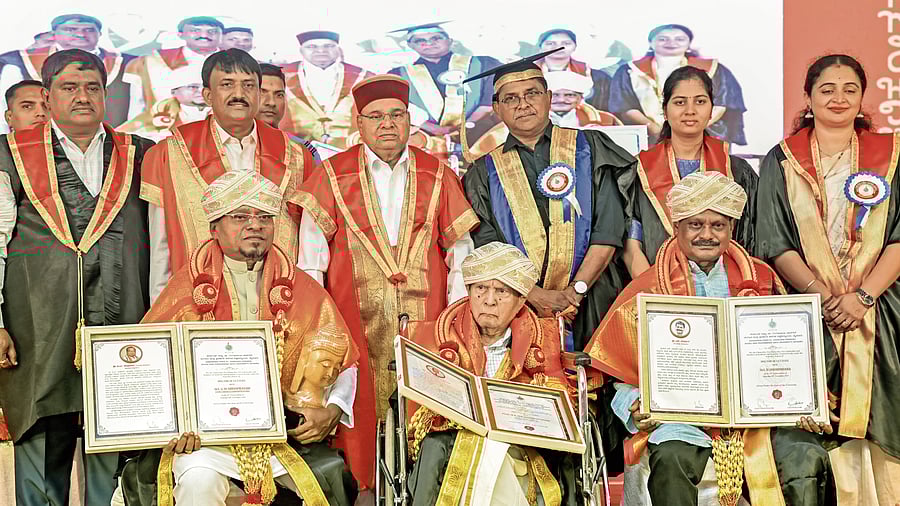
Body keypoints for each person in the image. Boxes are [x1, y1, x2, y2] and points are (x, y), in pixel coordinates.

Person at [585, 171, 834, 506]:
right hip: (681, 420)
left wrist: (805, 401)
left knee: (805, 456)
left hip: (759, 418)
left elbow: (794, 357)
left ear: (731, 229)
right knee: (671, 458)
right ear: (677, 228)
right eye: (696, 225)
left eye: (718, 225)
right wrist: (636, 406)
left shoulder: (761, 279)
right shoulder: (647, 289)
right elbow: (618, 373)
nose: (707, 234)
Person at [120, 171, 360, 506]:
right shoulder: (184, 291)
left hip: (284, 439)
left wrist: (333, 409)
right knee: (199, 482)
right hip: (206, 443)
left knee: (322, 485)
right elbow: (147, 370)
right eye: (240, 216)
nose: (255, 225)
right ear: (214, 229)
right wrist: (170, 426)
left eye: (264, 217)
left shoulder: (303, 290)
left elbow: (343, 358)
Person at [291, 73, 478, 487]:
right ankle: (365, 490)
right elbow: (309, 264)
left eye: (396, 115)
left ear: (410, 120)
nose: (387, 124)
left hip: (429, 322)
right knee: (357, 424)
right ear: (359, 123)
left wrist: (453, 323)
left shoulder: (438, 174)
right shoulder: (332, 175)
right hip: (351, 321)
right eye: (375, 116)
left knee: (426, 423)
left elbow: (461, 256)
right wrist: (320, 332)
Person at [0, 48, 154, 506]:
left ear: (107, 95)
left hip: (125, 318)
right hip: (38, 323)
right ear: (46, 98)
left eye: (92, 88)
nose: (82, 97)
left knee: (118, 442)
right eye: (69, 88)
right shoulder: (11, 155)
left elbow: (165, 242)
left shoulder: (140, 154)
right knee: (43, 437)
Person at [756, 53, 900, 505]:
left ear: (861, 98)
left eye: (849, 89)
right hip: (807, 316)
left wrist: (861, 296)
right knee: (817, 433)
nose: (838, 98)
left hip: (883, 312)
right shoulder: (781, 159)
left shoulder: (892, 155)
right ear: (808, 97)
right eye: (827, 89)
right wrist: (821, 296)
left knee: (885, 423)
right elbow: (775, 241)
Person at [462, 50, 635, 351]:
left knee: (599, 384)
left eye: (532, 93)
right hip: (519, 305)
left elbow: (609, 226)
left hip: (594, 299)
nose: (523, 104)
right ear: (496, 108)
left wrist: (576, 291)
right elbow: (488, 247)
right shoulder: (483, 172)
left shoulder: (590, 147)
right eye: (511, 98)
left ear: (549, 97)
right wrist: (534, 295)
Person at [141, 49, 315, 304]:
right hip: (199, 303)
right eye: (227, 85)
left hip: (278, 303)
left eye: (248, 86)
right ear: (208, 95)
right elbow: (160, 248)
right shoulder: (169, 154)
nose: (239, 95)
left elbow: (308, 244)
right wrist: (162, 310)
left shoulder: (297, 157)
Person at [407, 242, 576, 505]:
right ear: (469, 291)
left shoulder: (543, 343)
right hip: (450, 447)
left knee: (497, 458)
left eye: (501, 291)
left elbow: (559, 413)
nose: (489, 300)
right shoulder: (436, 339)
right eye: (481, 288)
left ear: (521, 301)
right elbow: (414, 413)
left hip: (520, 452)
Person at [623, 65, 757, 278]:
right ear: (665, 110)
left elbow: (750, 241)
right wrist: (653, 291)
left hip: (726, 287)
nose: (690, 110)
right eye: (680, 102)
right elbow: (631, 246)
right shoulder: (637, 171)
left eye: (700, 101)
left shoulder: (738, 172)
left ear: (711, 110)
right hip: (657, 285)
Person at [609, 23, 746, 146]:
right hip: (650, 137)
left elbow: (722, 103)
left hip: (704, 135)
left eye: (679, 39)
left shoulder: (714, 69)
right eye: (663, 39)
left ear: (689, 44)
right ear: (651, 43)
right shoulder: (629, 71)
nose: (671, 42)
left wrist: (693, 129)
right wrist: (656, 130)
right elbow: (624, 105)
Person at [0, 14, 137, 131]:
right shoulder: (19, 62)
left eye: (89, 30)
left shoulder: (130, 63)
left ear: (100, 34)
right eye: (70, 29)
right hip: (38, 146)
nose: (80, 34)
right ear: (54, 34)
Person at [388, 22, 502, 163]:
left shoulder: (484, 64)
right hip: (428, 141)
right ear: (410, 45)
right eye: (420, 40)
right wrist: (435, 129)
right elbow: (398, 108)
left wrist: (466, 127)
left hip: (482, 136)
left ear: (450, 40)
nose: (429, 43)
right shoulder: (398, 75)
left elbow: (494, 98)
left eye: (436, 38)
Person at [279, 30, 372, 149]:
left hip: (349, 152)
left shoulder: (363, 77)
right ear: (301, 50)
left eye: (328, 46)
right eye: (312, 46)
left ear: (338, 49)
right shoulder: (281, 75)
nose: (321, 51)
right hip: (295, 151)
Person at [123, 16, 223, 121]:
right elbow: (137, 104)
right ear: (180, 34)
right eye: (195, 30)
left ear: (221, 36)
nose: (204, 35)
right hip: (162, 129)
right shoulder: (150, 61)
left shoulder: (237, 62)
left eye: (212, 31)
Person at [116, 64, 207, 141]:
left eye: (205, 87)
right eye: (193, 87)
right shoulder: (159, 113)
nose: (200, 91)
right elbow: (118, 135)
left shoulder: (216, 113)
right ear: (174, 91)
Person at [257, 63, 321, 163]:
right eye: (262, 92)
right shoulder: (227, 146)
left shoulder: (305, 152)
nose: (271, 102)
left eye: (279, 95)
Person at [537, 28, 612, 112]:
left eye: (566, 43)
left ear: (575, 47)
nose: (558, 47)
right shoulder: (526, 73)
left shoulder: (598, 77)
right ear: (540, 47)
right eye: (550, 43)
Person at [545, 70, 620, 128]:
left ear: (580, 98)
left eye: (570, 95)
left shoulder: (607, 119)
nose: (561, 100)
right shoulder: (533, 120)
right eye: (554, 95)